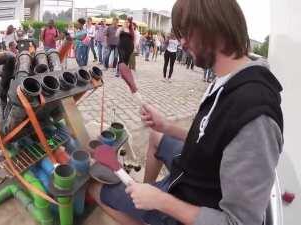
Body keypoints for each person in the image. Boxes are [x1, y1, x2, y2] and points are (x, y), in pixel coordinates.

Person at [89, 0, 283, 225]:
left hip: (198, 199)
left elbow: (239, 223)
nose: (181, 43)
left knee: (95, 189)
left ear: (213, 27)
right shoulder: (227, 77)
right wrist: (165, 126)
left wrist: (162, 201)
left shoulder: (255, 117)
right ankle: (145, 197)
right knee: (156, 135)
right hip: (197, 172)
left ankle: (152, 213)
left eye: (186, 33)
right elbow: (211, 135)